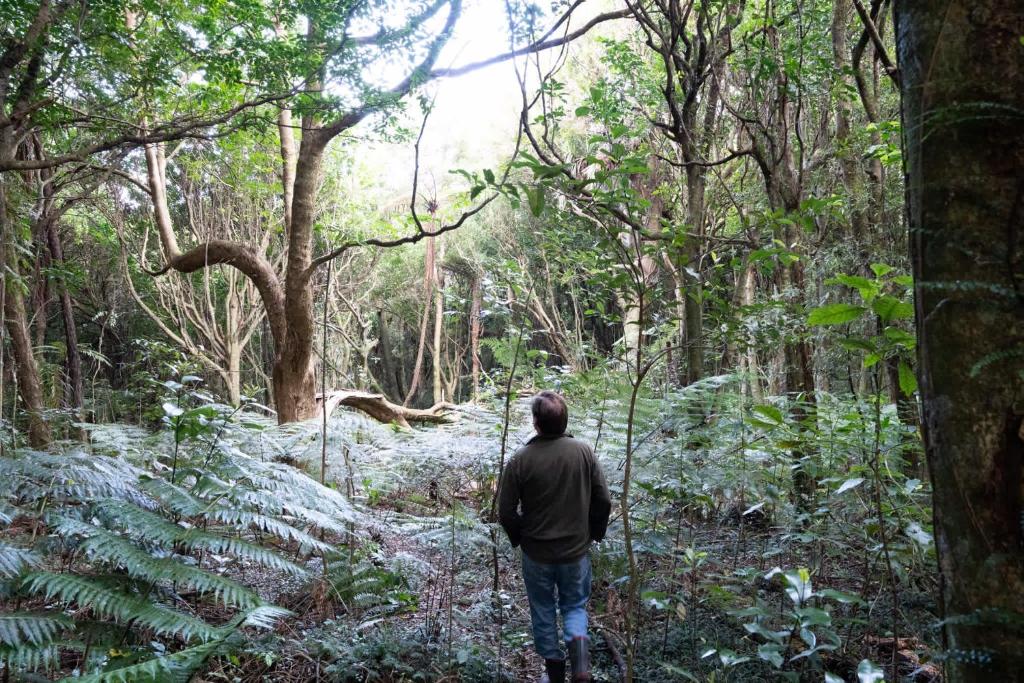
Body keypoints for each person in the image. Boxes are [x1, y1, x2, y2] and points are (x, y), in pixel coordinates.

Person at [497, 391, 612, 683]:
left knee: (543, 609)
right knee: (574, 606)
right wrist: (594, 532)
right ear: (564, 420)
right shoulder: (583, 452)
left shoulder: (521, 459)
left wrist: (520, 537)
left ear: (536, 423)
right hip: (575, 552)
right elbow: (604, 500)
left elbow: (506, 511)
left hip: (537, 555)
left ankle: (555, 673)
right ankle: (582, 668)